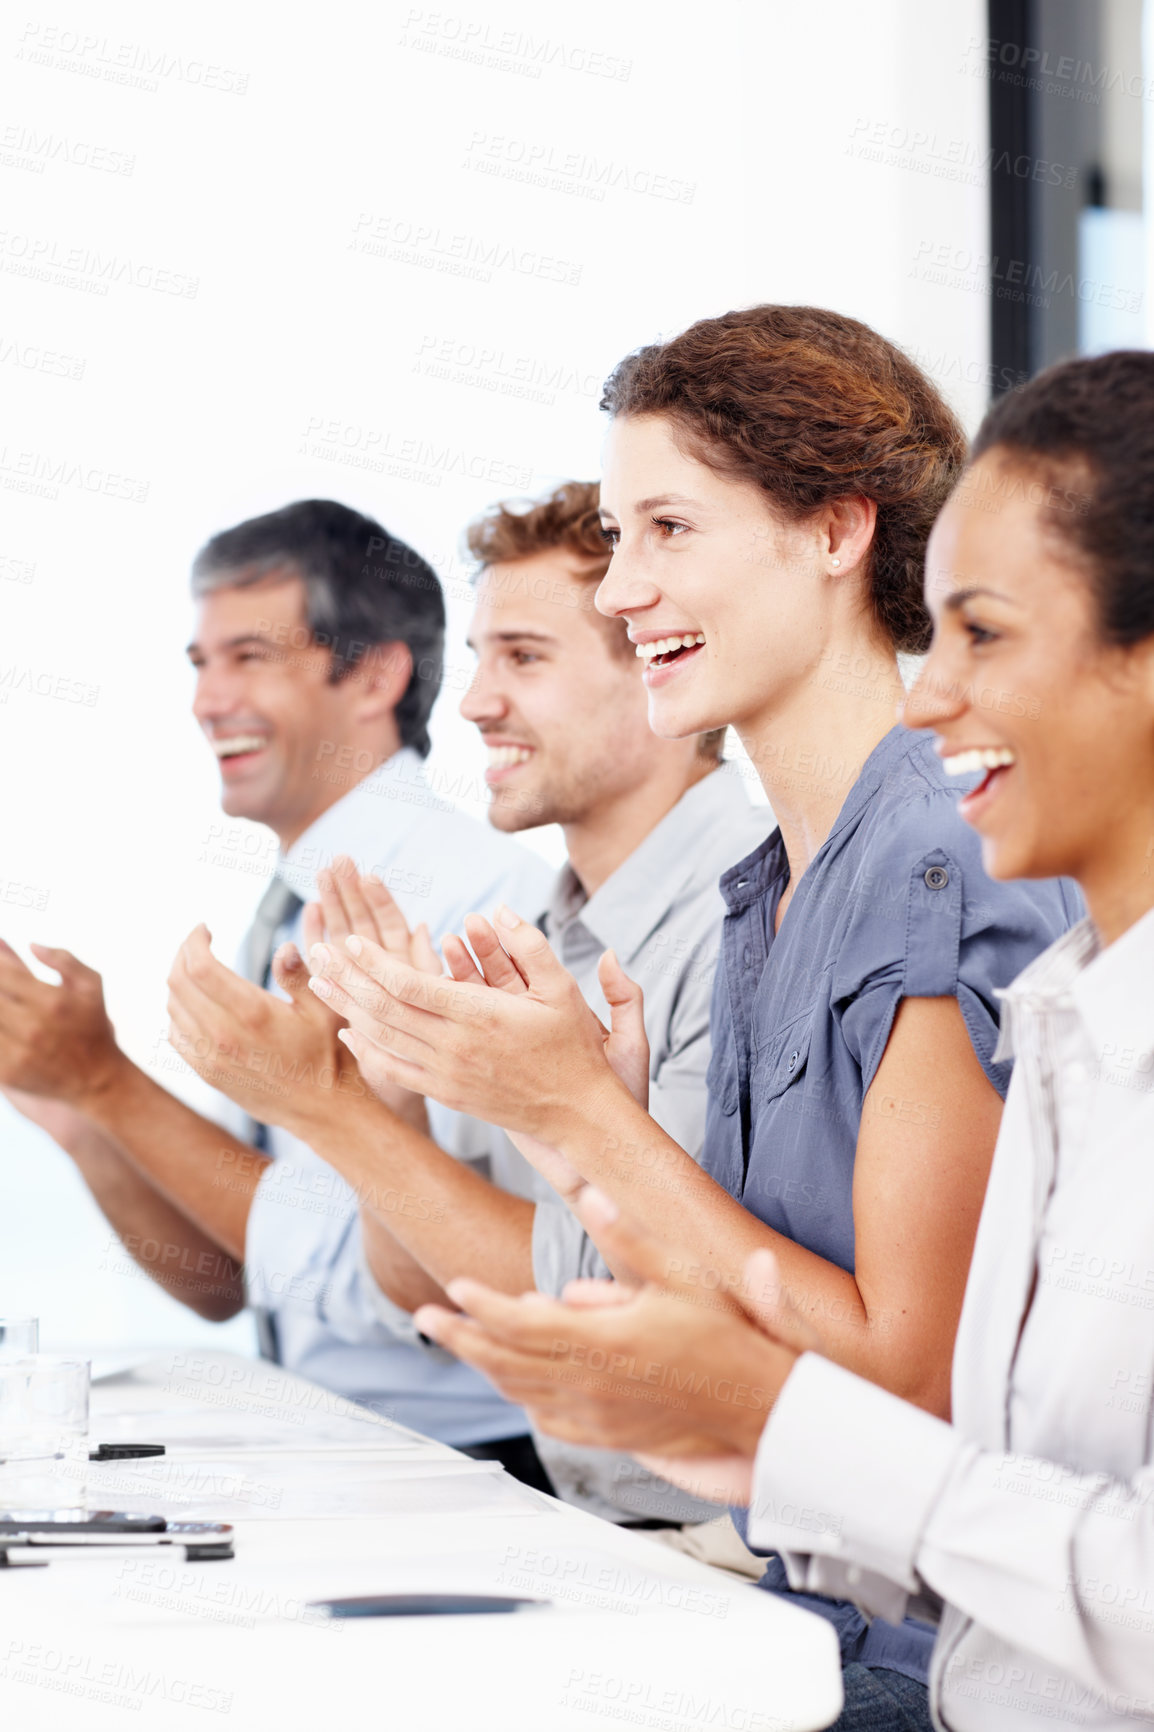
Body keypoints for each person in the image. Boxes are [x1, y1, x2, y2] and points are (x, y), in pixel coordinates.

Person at [306, 306, 1080, 1718]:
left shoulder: (939, 864)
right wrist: (570, 1140)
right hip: (789, 1625)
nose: (618, 591)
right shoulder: (762, 888)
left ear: (835, 533)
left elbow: (899, 1391)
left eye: (667, 530)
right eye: (618, 538)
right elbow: (724, 1327)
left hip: (915, 1674)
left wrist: (582, 1115)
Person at [163, 480, 768, 1522]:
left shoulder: (744, 913)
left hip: (713, 1550)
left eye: (523, 658)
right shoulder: (558, 928)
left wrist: (327, 1107)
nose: (475, 703)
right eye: (482, 657)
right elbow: (427, 1282)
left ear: (661, 671)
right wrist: (380, 1088)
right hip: (601, 1524)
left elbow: (589, 1293)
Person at [0, 498, 553, 1476]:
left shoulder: (460, 898)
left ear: (376, 673)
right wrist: (79, 1107)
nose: (207, 700)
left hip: (477, 1465)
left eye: (249, 656)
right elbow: (226, 1273)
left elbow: (381, 1282)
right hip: (354, 1447)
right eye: (199, 663)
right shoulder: (296, 901)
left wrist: (107, 1084)